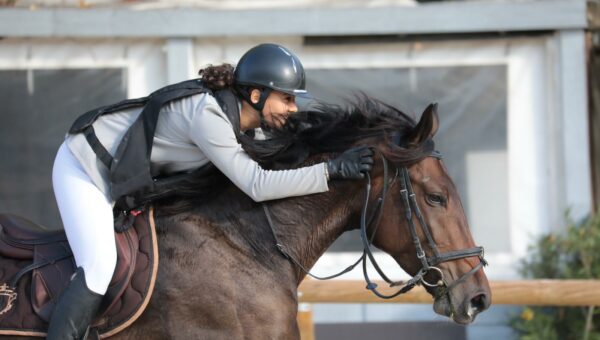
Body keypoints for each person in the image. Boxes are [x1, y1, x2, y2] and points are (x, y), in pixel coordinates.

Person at [47, 43, 374, 339]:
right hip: (83, 166)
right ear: (256, 96)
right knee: (99, 266)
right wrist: (330, 170)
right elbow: (257, 184)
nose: (292, 107)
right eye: (286, 98)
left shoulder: (240, 119)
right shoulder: (208, 117)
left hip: (117, 176)